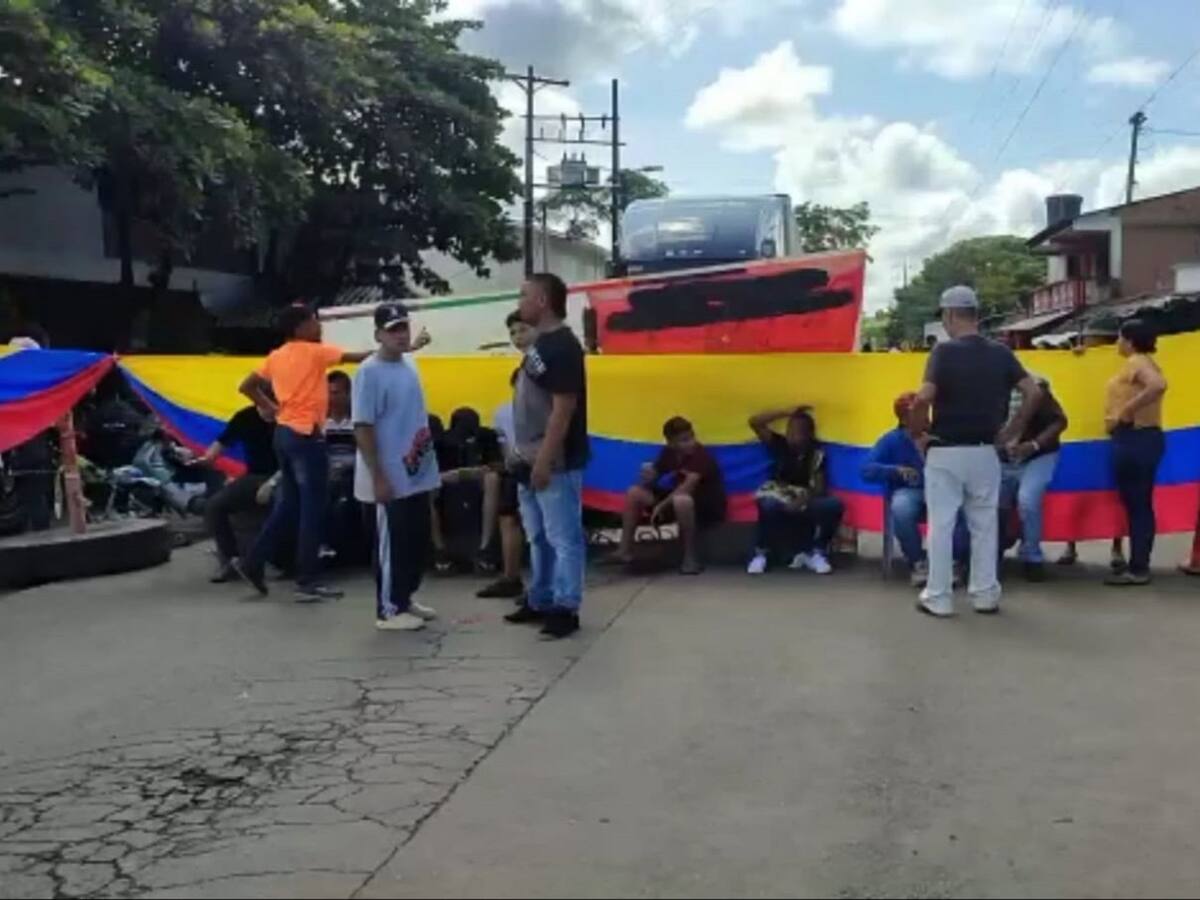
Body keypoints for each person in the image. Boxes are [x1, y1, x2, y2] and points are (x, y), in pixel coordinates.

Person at [912, 285, 1040, 618]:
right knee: (984, 524)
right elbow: (1032, 392)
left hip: (946, 451)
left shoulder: (943, 352)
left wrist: (917, 432)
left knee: (941, 524)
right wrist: (1012, 430)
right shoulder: (1001, 353)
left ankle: (938, 597)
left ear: (951, 314)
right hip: (986, 451)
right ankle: (985, 595)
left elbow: (924, 396)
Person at [233, 303, 369, 601]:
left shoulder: (276, 356)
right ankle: (308, 580)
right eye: (314, 322)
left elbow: (247, 386)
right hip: (307, 437)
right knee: (313, 509)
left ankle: (253, 563)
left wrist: (270, 408)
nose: (319, 327)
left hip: (283, 435)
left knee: (290, 504)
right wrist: (395, 348)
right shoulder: (314, 351)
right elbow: (358, 357)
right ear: (301, 327)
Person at [505, 273, 589, 639]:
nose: (519, 302)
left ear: (542, 301)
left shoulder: (564, 347)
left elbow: (563, 409)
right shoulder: (540, 344)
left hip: (553, 462)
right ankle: (540, 596)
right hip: (528, 458)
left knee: (563, 536)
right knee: (538, 536)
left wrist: (544, 459)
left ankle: (566, 606)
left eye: (524, 295)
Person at [352, 302, 441, 630]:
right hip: (387, 474)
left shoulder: (409, 366)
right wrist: (378, 475)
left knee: (414, 541)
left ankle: (404, 597)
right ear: (379, 335)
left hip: (415, 471)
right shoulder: (368, 372)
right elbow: (363, 425)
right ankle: (387, 609)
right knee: (391, 541)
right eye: (393, 330)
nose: (401, 335)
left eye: (404, 327)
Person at [862, 392, 968, 586]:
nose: (926, 417)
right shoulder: (891, 440)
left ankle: (953, 562)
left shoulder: (940, 437)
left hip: (942, 490)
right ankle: (918, 563)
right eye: (920, 413)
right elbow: (866, 470)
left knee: (961, 506)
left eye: (926, 412)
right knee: (901, 507)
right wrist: (895, 470)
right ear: (905, 418)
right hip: (910, 492)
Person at [615, 416, 726, 574]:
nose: (690, 443)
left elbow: (686, 488)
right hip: (675, 502)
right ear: (671, 442)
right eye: (683, 440)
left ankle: (690, 558)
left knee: (682, 500)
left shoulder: (701, 456)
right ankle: (624, 550)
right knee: (634, 493)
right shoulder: (668, 453)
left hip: (703, 507)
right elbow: (656, 476)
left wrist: (660, 506)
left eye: (691, 437)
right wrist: (649, 475)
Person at [1104, 319, 1168, 587]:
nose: (1118, 343)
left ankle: (1139, 567)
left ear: (1130, 341)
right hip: (1142, 438)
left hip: (1135, 438)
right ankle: (1138, 563)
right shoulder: (1144, 362)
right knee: (1139, 505)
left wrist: (1128, 410)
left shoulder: (1137, 362)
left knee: (1138, 505)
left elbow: (1158, 385)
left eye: (1120, 338)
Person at [477, 311, 536, 600]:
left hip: (542, 461)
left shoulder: (545, 366)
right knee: (509, 516)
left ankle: (546, 587)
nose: (517, 337)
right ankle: (511, 576)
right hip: (517, 467)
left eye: (522, 330)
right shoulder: (504, 411)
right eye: (512, 332)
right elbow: (503, 444)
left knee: (542, 527)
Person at [746, 406, 844, 575]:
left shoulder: (817, 453)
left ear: (809, 434)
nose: (791, 435)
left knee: (833, 505)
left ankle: (817, 552)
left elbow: (819, 488)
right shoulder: (779, 444)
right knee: (767, 504)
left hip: (805, 498)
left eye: (797, 432)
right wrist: (787, 412)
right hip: (779, 495)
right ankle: (761, 553)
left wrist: (800, 501)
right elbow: (755, 422)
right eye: (789, 430)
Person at [998, 375, 1068, 582]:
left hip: (1037, 455)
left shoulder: (1036, 388)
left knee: (1027, 500)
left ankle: (1031, 555)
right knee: (995, 505)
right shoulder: (985, 390)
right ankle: (996, 550)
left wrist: (1034, 445)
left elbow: (1059, 421)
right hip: (1001, 458)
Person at [201, 403, 278, 582]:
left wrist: (273, 483)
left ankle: (273, 559)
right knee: (214, 506)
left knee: (280, 504)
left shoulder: (288, 417)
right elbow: (220, 444)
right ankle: (232, 560)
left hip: (282, 476)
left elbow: (292, 459)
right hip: (253, 477)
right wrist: (205, 458)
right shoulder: (246, 416)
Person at [434, 407, 505, 572]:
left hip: (480, 478)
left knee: (493, 479)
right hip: (446, 479)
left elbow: (499, 466)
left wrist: (483, 469)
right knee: (427, 486)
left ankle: (485, 547)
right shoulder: (442, 441)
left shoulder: (486, 437)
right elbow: (430, 473)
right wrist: (452, 474)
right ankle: (439, 549)